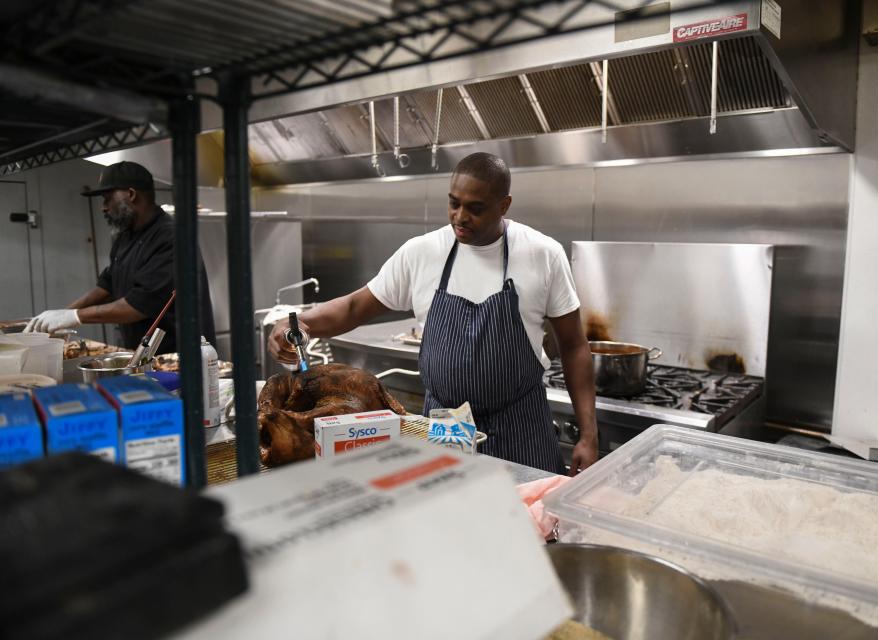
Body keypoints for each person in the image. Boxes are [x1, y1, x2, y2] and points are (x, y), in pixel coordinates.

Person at [270, 153, 598, 475]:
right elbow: (356, 306)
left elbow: (573, 346)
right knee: (446, 521)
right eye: (454, 203)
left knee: (529, 524)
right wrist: (301, 322)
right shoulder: (423, 252)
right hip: (445, 429)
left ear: (504, 205)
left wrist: (588, 434)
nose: (460, 216)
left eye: (475, 208)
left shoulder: (543, 254)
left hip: (521, 427)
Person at [25, 161, 215, 356]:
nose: (103, 208)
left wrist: (75, 317)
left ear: (131, 194)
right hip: (142, 354)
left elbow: (138, 305)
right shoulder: (126, 236)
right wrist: (60, 315)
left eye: (107, 199)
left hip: (179, 358)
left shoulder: (171, 237)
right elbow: (108, 285)